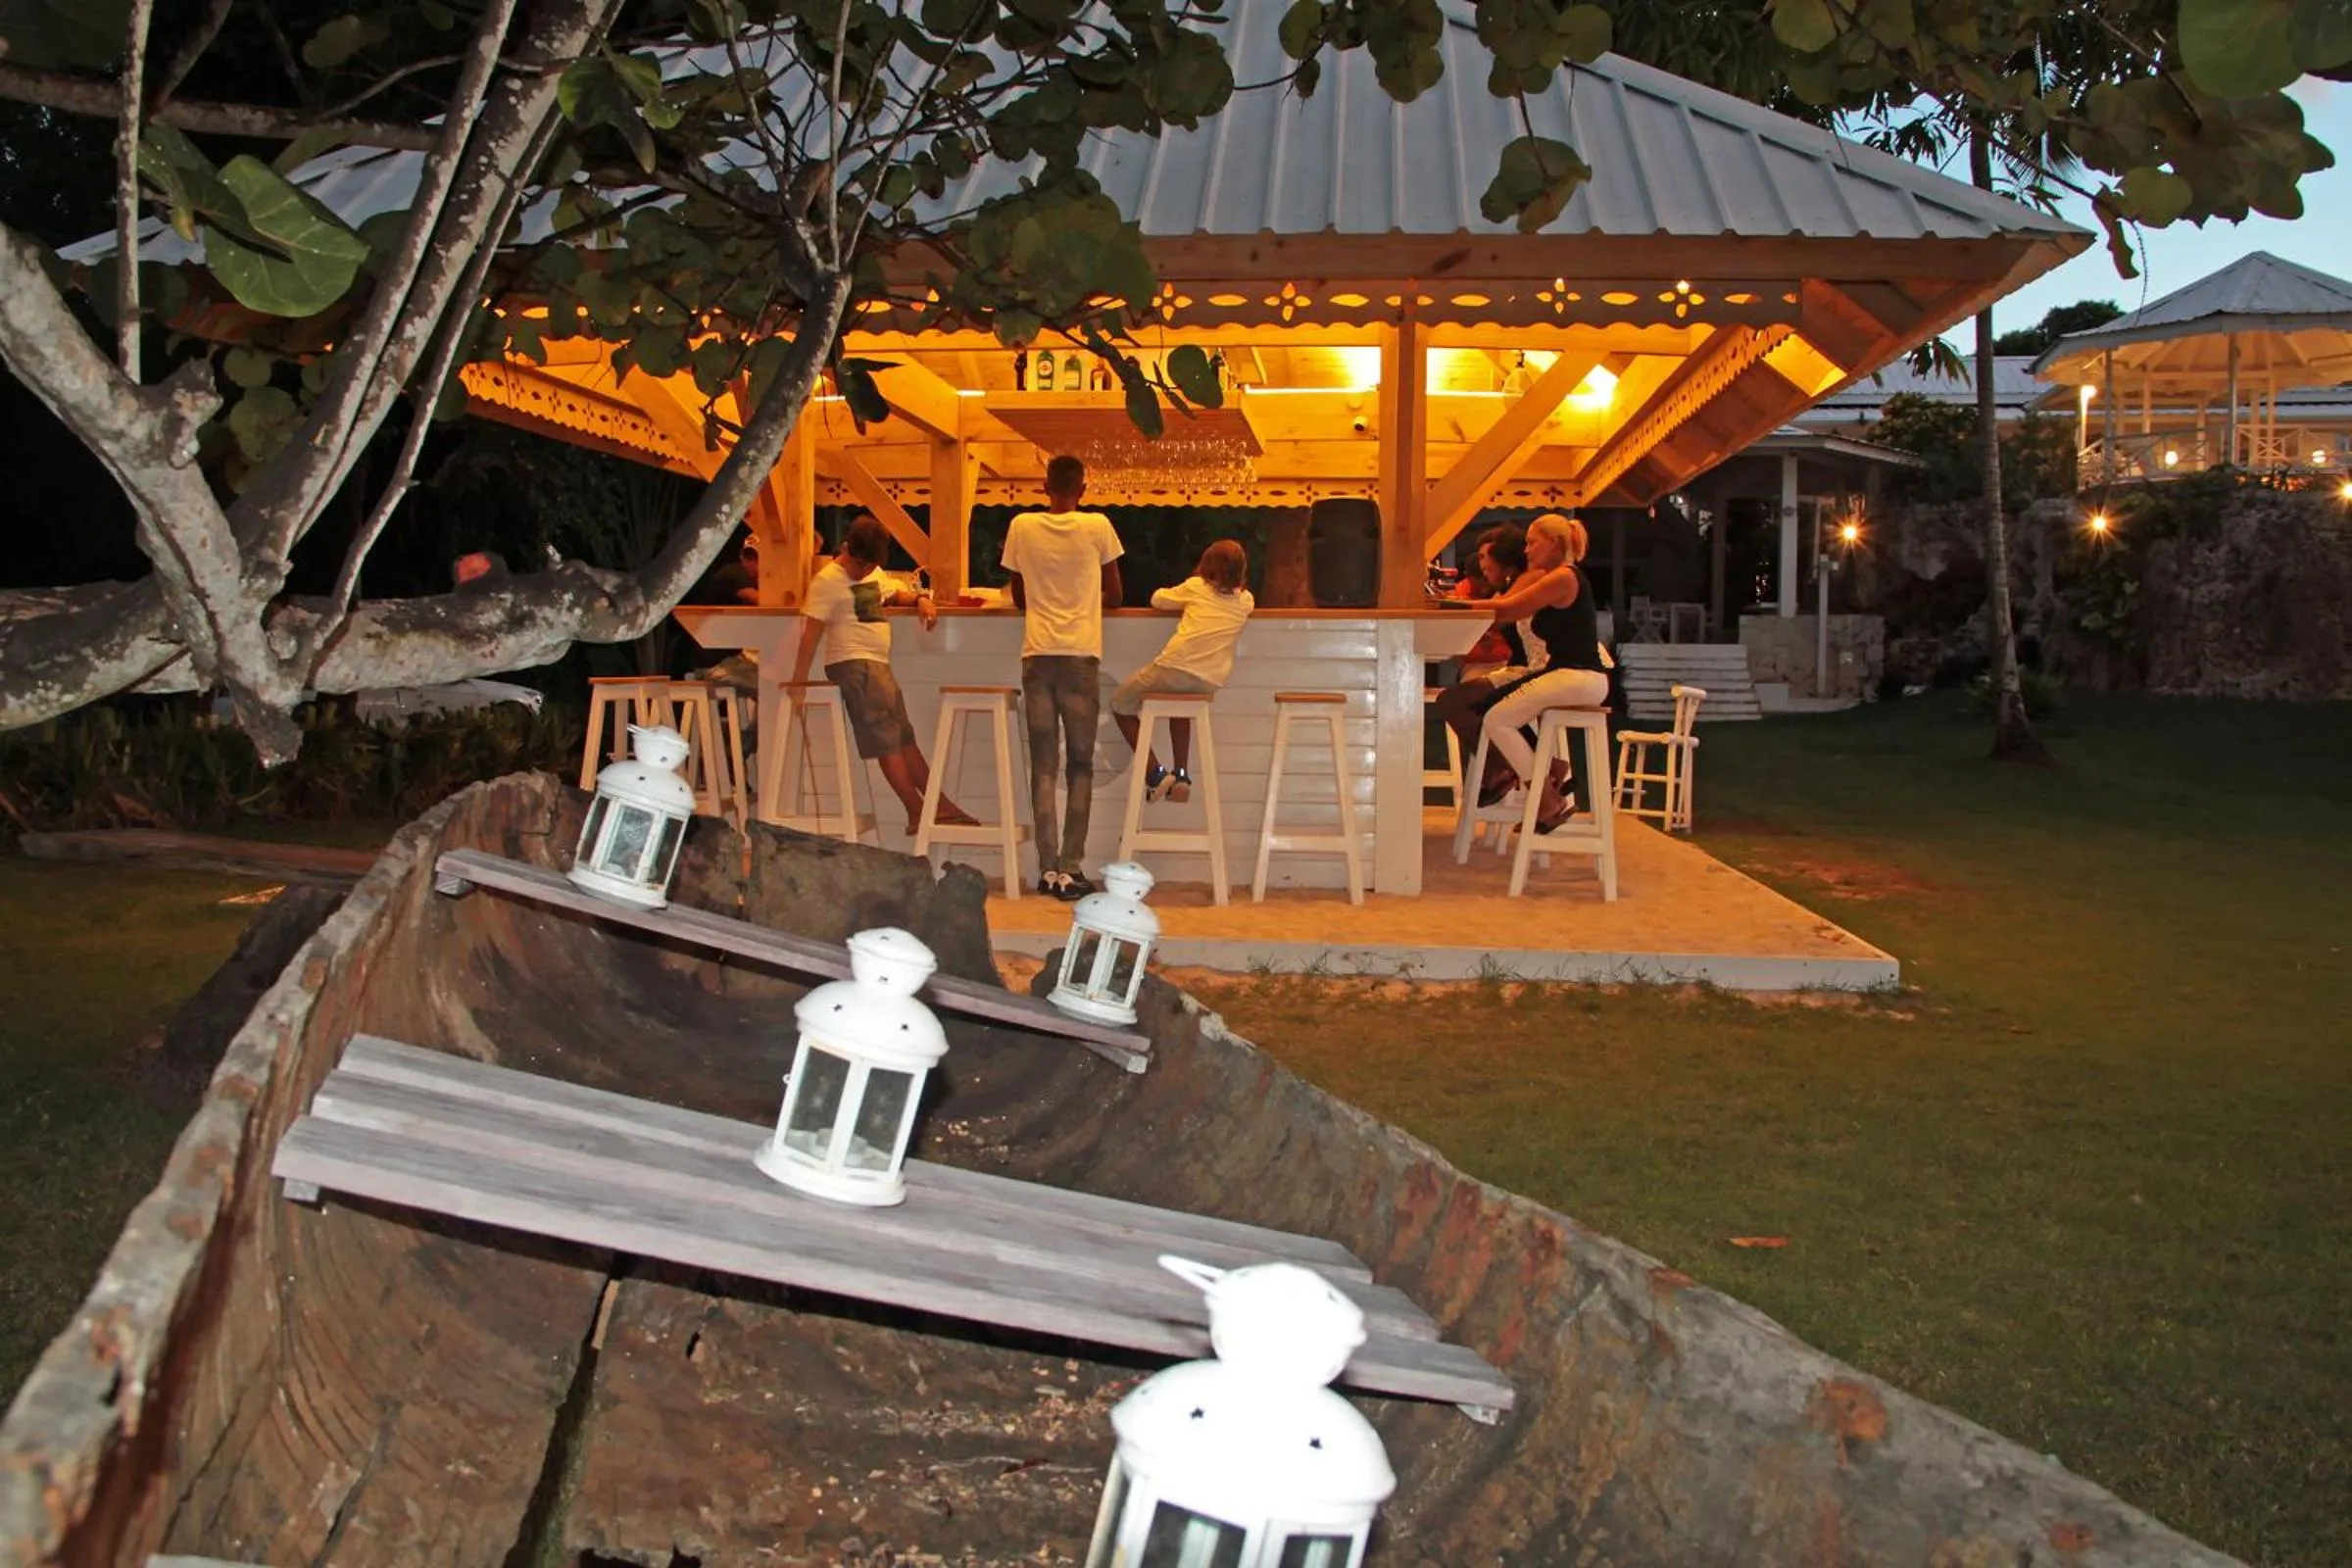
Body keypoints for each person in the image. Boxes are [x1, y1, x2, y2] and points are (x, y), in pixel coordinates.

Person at [788, 514, 976, 834]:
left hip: (876, 664)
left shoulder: (872, 572)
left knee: (904, 738)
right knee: (887, 741)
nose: (863, 571)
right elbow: (810, 635)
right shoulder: (827, 581)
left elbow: (892, 593)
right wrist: (798, 682)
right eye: (859, 564)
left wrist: (920, 600)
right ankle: (916, 810)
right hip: (853, 664)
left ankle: (938, 806)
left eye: (869, 565)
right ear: (845, 548)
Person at [1002, 454, 1124, 900]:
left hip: (1037, 655)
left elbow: (1019, 595)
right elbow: (1117, 592)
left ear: (1044, 485)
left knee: (1043, 766)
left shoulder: (1021, 527)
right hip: (1079, 655)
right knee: (1080, 765)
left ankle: (1047, 868)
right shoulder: (1098, 527)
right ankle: (1072, 867)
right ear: (1083, 488)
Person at [1477, 514, 1608, 833]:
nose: (1526, 550)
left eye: (1532, 542)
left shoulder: (1563, 577)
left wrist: (1450, 607)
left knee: (1497, 718)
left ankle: (1547, 799)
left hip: (1579, 676)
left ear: (1554, 543)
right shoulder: (1557, 576)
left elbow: (1507, 610)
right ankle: (1550, 775)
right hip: (1568, 675)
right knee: (1495, 710)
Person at [1111, 539, 1253, 803]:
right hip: (1209, 680)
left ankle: (1155, 774)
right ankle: (1182, 775)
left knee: (1120, 702)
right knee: (1182, 705)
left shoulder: (1196, 587)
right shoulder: (1246, 600)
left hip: (1174, 667)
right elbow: (1238, 603)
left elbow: (1157, 599)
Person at [1430, 523, 1531, 776]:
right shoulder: (1511, 587)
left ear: (1504, 560)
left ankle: (1504, 770)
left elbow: (1498, 612)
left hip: (1529, 670)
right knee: (1466, 701)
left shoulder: (1527, 583)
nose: (1481, 563)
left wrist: (1445, 605)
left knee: (1457, 701)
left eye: (1486, 558)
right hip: (1517, 669)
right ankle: (1511, 769)